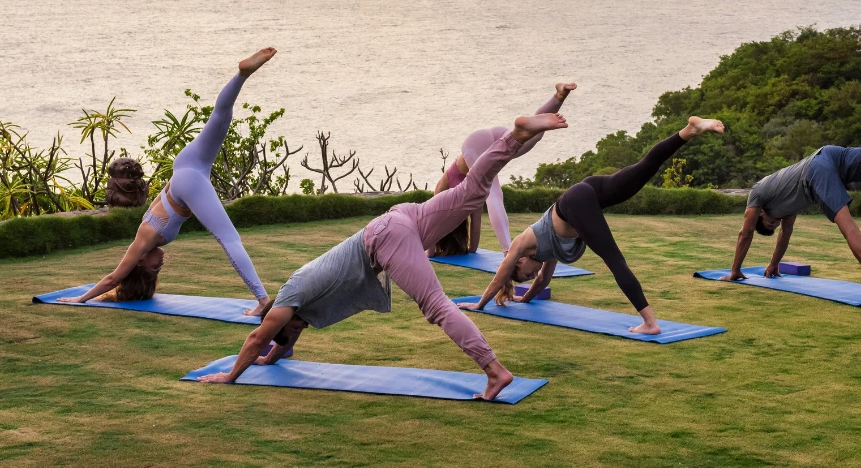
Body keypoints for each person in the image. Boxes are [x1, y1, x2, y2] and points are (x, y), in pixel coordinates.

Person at [195, 113, 569, 401]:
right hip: (402, 217)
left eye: (287, 333)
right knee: (473, 190)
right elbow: (277, 344)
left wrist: (231, 376)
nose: (295, 334)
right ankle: (521, 132)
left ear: (281, 320)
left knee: (436, 306)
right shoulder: (295, 311)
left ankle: (494, 371)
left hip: (386, 236)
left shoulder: (289, 299)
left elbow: (260, 336)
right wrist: (269, 359)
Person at [56, 48, 280, 316]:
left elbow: (113, 279)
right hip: (189, 165)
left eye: (153, 267)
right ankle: (242, 74)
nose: (160, 263)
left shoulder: (141, 243)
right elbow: (116, 287)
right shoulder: (149, 243)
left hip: (187, 181)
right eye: (158, 269)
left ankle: (263, 301)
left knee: (229, 239)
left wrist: (82, 299)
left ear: (139, 262)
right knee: (221, 117)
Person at [459, 116, 726, 335]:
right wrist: (523, 298)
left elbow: (499, 277)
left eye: (526, 274)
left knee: (614, 259)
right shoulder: (547, 255)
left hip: (576, 201)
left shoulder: (520, 244)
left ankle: (650, 323)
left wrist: (480, 305)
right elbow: (542, 283)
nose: (533, 274)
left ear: (519, 262)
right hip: (590, 190)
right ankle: (689, 131)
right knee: (644, 168)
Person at [720, 111, 861, 306]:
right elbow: (784, 236)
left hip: (816, 170)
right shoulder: (784, 205)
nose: (777, 222)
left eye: (770, 222)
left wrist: (735, 271)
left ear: (761, 212)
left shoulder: (757, 192)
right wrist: (774, 264)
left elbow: (745, 233)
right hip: (827, 154)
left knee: (849, 229)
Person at [432, 83, 576, 255]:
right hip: (491, 139)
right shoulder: (467, 203)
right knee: (534, 134)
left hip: (475, 147)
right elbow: (475, 230)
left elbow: (434, 219)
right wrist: (470, 249)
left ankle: (508, 250)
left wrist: (430, 251)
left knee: (493, 194)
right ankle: (558, 96)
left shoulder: (446, 193)